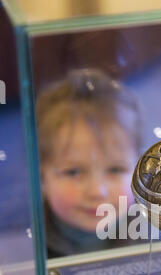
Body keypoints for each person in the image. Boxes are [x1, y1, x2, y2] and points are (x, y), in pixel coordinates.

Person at [36, 69, 142, 257]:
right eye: (73, 172)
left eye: (115, 169)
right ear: (41, 176)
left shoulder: (158, 232)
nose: (96, 191)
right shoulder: (22, 247)